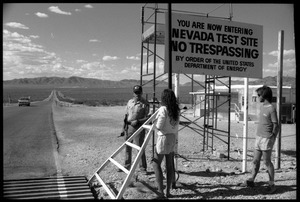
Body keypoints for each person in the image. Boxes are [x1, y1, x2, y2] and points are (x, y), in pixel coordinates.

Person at [239, 85, 279, 194]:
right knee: (255, 161)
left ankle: (272, 185)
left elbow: (276, 125)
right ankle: (251, 180)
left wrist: (272, 137)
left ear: (264, 96)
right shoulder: (262, 107)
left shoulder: (271, 108)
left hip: (266, 139)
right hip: (258, 137)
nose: (257, 97)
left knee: (267, 162)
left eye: (258, 95)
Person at [152, 89, 180, 199]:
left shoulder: (163, 109)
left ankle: (160, 192)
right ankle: (167, 191)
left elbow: (159, 126)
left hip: (164, 137)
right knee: (169, 165)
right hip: (172, 137)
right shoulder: (176, 110)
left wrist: (153, 122)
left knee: (155, 163)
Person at [120, 85, 150, 173]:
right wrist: (123, 128)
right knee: (128, 147)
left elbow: (148, 118)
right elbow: (126, 116)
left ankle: (143, 168)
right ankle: (127, 165)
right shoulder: (130, 102)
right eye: (136, 92)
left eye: (139, 92)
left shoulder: (145, 103)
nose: (137, 94)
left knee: (139, 148)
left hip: (139, 128)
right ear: (133, 93)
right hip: (129, 127)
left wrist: (138, 121)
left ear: (142, 92)